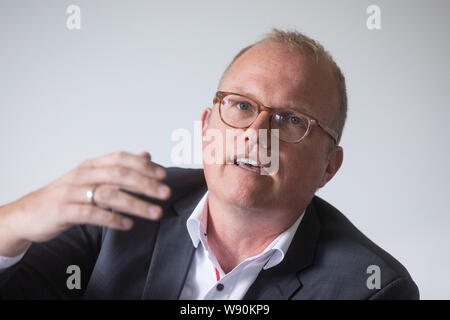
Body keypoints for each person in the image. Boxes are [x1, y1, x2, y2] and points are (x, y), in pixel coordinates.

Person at [0, 29, 419, 299]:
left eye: (292, 120)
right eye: (239, 105)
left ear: (329, 166)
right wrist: (13, 223)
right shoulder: (121, 203)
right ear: (205, 127)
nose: (255, 134)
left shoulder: (372, 288)